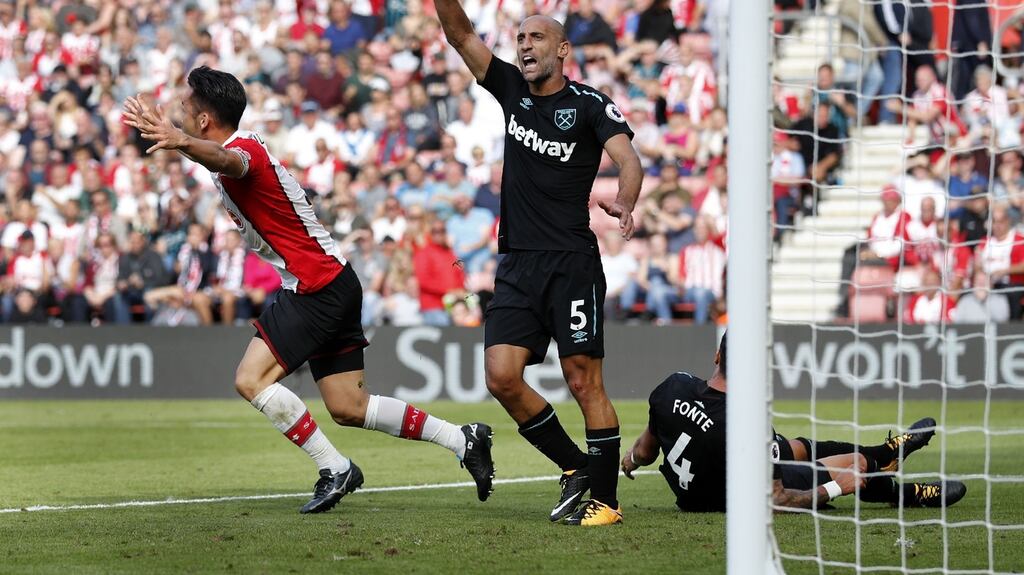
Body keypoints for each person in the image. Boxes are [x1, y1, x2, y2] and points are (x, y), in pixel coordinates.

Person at [122, 66, 494, 514]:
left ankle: (335, 468)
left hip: (315, 287)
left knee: (250, 379)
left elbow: (228, 161)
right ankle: (463, 438)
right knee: (349, 406)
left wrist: (179, 142)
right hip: (333, 282)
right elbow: (219, 162)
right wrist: (181, 143)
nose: (178, 111)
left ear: (204, 121)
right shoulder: (229, 152)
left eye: (185, 107)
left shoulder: (245, 150)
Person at [437, 1, 644, 526]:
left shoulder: (592, 104)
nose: (524, 45)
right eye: (520, 38)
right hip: (516, 265)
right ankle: (577, 469)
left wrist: (625, 199)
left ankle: (607, 503)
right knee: (501, 376)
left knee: (583, 382)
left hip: (571, 263)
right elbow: (460, 35)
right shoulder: (510, 89)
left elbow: (628, 159)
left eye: (536, 37)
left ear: (562, 49)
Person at [621, 332, 967, 512]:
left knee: (795, 446)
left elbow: (645, 450)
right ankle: (905, 491)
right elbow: (775, 501)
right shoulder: (748, 424)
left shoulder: (673, 386)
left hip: (694, 491)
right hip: (731, 495)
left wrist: (631, 460)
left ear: (717, 356)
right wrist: (835, 488)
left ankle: (885, 452)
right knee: (857, 465)